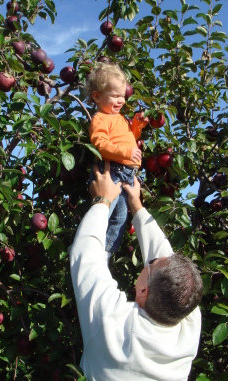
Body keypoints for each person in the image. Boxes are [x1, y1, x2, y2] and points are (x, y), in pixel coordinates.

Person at [70, 161, 203, 381]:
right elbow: (164, 260)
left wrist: (102, 200)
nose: (152, 258)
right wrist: (136, 206)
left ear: (142, 290)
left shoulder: (114, 326)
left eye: (150, 264)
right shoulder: (188, 322)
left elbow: (85, 256)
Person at [85, 62, 149, 255]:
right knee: (104, 212)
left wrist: (137, 126)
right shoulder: (100, 118)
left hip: (126, 175)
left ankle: (104, 255)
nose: (121, 101)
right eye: (115, 96)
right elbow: (100, 145)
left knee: (119, 220)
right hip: (112, 171)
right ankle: (90, 250)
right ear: (97, 96)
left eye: (122, 96)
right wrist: (126, 153)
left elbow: (129, 138)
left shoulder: (119, 118)